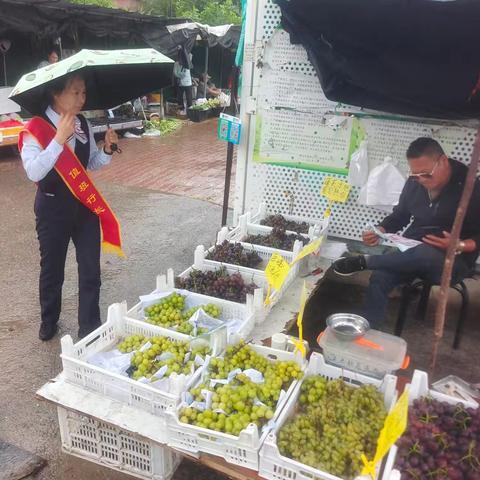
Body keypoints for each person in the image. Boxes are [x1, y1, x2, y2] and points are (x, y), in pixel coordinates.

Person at [332, 137, 480, 327]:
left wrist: (460, 244)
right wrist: (380, 230)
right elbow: (400, 215)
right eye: (415, 175)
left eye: (426, 174)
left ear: (443, 161)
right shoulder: (415, 182)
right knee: (380, 277)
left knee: (424, 253)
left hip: (452, 261)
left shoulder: (472, 189)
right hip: (410, 250)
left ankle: (365, 261)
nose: (421, 180)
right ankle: (367, 330)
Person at [20, 73, 119, 341]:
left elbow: (89, 165)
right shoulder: (36, 128)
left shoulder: (83, 124)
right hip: (53, 209)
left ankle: (89, 326)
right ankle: (49, 320)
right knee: (53, 270)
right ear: (56, 94)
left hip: (84, 208)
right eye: (75, 92)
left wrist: (106, 150)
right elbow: (34, 172)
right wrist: (57, 140)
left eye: (84, 92)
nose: (81, 98)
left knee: (90, 269)